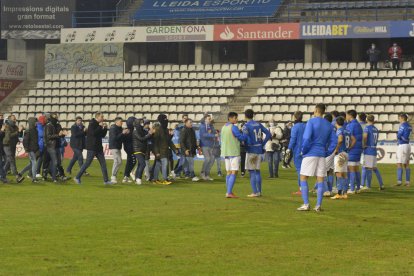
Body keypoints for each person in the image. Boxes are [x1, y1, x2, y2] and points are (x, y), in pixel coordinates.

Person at [297, 104, 333, 212]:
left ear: (316, 110)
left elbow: (307, 137)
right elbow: (334, 141)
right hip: (321, 154)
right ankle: (318, 205)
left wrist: (304, 150)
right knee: (320, 179)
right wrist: (327, 152)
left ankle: (306, 204)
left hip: (311, 153)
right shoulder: (329, 125)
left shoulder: (311, 121)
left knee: (303, 177)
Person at [74, 112, 112, 185]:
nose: (103, 118)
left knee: (103, 164)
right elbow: (93, 133)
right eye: (102, 117)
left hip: (98, 148)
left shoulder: (98, 124)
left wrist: (105, 128)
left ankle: (106, 181)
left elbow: (102, 135)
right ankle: (77, 177)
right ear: (97, 117)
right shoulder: (92, 123)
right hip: (92, 147)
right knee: (87, 163)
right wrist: (100, 127)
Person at [242, 109, 270, 197]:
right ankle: (259, 191)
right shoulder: (258, 124)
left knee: (251, 172)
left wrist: (246, 145)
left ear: (245, 116)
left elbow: (246, 138)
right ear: (253, 115)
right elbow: (268, 134)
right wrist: (263, 143)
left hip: (251, 150)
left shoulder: (245, 126)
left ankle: (254, 192)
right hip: (259, 150)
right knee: (257, 171)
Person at [221, 112, 248, 198]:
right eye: (235, 118)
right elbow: (241, 138)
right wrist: (245, 132)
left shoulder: (224, 127)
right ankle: (229, 192)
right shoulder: (234, 127)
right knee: (234, 172)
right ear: (230, 118)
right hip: (234, 152)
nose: (237, 119)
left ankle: (228, 191)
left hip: (226, 152)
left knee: (228, 172)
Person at [152, 114, 177, 185]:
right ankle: (165, 179)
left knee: (158, 165)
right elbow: (155, 143)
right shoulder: (158, 130)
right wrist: (156, 152)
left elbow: (169, 141)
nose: (166, 121)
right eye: (165, 119)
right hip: (160, 151)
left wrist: (174, 149)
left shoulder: (166, 130)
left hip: (165, 151)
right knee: (165, 163)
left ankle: (155, 179)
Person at [361, 115, 384, 191]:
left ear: (367, 120)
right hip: (374, 149)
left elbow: (365, 137)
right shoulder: (376, 129)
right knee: (374, 168)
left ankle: (368, 186)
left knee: (368, 168)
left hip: (369, 150)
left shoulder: (367, 128)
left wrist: (364, 145)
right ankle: (381, 184)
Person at [331, 116, 351, 200]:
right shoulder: (347, 131)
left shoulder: (339, 130)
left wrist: (336, 149)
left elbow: (340, 139)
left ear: (336, 123)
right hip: (346, 153)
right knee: (344, 173)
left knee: (338, 173)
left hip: (340, 154)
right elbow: (352, 140)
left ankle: (339, 193)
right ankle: (345, 193)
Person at [287, 111, 306, 195]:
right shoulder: (305, 126)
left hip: (298, 150)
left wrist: (289, 148)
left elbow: (293, 139)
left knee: (299, 170)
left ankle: (301, 189)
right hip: (306, 150)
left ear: (294, 117)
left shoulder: (295, 127)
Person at [17, 117, 39, 183]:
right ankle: (34, 178)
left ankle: (20, 173)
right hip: (30, 149)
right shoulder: (28, 131)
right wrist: (26, 150)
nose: (37, 123)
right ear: (32, 122)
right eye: (36, 122)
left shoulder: (35, 130)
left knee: (31, 164)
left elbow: (35, 141)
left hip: (34, 149)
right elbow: (25, 141)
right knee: (34, 163)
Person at [346, 110, 363, 194]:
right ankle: (358, 187)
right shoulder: (359, 125)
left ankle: (352, 188)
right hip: (359, 149)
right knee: (356, 169)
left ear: (350, 116)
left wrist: (349, 147)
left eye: (347, 115)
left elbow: (351, 138)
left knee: (351, 169)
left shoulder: (350, 125)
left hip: (353, 149)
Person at [132, 118, 153, 185]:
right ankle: (139, 178)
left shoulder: (142, 130)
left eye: (142, 122)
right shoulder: (135, 131)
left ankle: (136, 178)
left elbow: (148, 137)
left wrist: (151, 133)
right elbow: (142, 139)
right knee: (143, 164)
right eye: (141, 122)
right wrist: (149, 134)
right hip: (137, 150)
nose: (142, 123)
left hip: (143, 150)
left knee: (139, 165)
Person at [43, 113, 63, 183]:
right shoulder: (49, 126)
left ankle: (46, 174)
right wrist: (58, 135)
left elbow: (59, 134)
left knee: (55, 162)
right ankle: (54, 178)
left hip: (55, 146)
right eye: (55, 117)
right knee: (54, 162)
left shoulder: (56, 125)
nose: (56, 118)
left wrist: (62, 134)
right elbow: (48, 136)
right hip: (51, 146)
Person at [109, 117, 129, 183]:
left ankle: (114, 176)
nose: (122, 123)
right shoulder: (113, 128)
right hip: (114, 146)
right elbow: (115, 138)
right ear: (116, 122)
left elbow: (121, 138)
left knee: (119, 161)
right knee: (117, 161)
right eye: (121, 122)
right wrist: (122, 133)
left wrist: (125, 134)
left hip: (118, 147)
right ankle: (113, 176)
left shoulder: (120, 128)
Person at [199, 114, 217, 181]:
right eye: (209, 119)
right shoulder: (202, 126)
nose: (210, 120)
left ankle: (207, 174)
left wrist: (215, 132)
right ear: (205, 119)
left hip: (211, 145)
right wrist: (213, 135)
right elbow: (204, 135)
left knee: (212, 159)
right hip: (204, 145)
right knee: (207, 159)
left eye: (210, 119)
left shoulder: (210, 126)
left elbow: (213, 132)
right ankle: (202, 173)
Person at [172, 114, 189, 179]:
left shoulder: (185, 126)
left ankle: (178, 172)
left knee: (182, 160)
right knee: (183, 160)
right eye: (184, 118)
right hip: (179, 146)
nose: (185, 119)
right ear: (182, 119)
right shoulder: (180, 126)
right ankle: (179, 173)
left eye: (186, 118)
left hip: (183, 145)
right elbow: (177, 128)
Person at [396, 113, 412, 186]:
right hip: (408, 145)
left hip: (402, 145)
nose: (399, 119)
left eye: (399, 118)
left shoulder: (402, 125)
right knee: (406, 164)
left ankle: (399, 182)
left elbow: (399, 135)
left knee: (399, 163)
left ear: (402, 118)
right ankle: (407, 182)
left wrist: (399, 137)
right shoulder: (410, 126)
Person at [324, 113, 337, 197]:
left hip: (327, 151)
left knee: (323, 171)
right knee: (330, 171)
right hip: (333, 151)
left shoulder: (325, 127)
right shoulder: (334, 127)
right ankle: (330, 189)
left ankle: (326, 190)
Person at [3, 115, 19, 179]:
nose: (15, 120)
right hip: (7, 145)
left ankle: (2, 174)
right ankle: (16, 175)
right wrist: (17, 132)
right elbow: (9, 136)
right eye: (14, 119)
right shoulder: (7, 126)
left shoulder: (15, 127)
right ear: (10, 120)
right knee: (11, 160)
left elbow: (16, 135)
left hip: (12, 145)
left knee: (8, 161)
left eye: (15, 119)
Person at [122, 116, 136, 183]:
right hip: (130, 149)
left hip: (128, 148)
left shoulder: (129, 130)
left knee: (129, 162)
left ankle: (126, 177)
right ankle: (127, 175)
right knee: (133, 161)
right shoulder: (129, 131)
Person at [0, 117, 8, 183]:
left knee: (5, 161)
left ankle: (3, 176)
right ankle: (3, 177)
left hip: (2, 147)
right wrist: (2, 130)